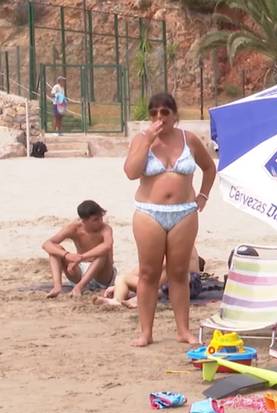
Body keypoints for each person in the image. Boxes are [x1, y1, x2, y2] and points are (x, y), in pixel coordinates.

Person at [123, 92, 216, 347]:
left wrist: (203, 195)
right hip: (149, 212)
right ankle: (145, 332)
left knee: (178, 272)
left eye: (165, 112)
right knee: (148, 273)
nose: (159, 117)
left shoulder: (189, 140)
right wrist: (147, 140)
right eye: (154, 113)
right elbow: (131, 172)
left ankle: (183, 330)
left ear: (175, 115)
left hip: (184, 212)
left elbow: (209, 167)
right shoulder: (142, 139)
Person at [42, 200, 116, 299]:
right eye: (95, 219)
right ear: (83, 221)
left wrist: (81, 257)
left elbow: (107, 245)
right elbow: (47, 244)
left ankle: (79, 287)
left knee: (103, 253)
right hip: (79, 271)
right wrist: (67, 255)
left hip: (102, 275)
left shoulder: (105, 229)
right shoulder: (74, 228)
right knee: (55, 250)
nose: (100, 221)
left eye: (101, 217)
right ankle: (57, 287)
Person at [94, 247, 201, 309]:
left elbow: (156, 266)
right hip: (188, 284)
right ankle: (125, 296)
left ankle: (122, 299)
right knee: (125, 279)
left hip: (184, 283)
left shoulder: (175, 243)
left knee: (123, 278)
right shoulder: (182, 240)